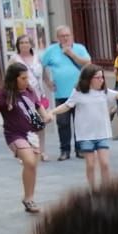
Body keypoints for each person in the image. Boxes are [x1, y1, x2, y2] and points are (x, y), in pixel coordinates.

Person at [52, 64, 118, 192]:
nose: (101, 80)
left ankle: (106, 190)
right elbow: (66, 106)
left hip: (102, 133)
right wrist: (52, 112)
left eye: (102, 77)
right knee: (91, 164)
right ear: (88, 79)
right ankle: (93, 190)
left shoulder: (104, 92)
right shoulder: (78, 93)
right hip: (86, 135)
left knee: (105, 163)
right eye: (97, 78)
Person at [0, 61, 54, 213]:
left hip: (31, 134)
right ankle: (28, 198)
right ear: (14, 78)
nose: (26, 81)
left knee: (32, 165)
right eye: (23, 78)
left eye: (27, 77)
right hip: (14, 134)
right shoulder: (4, 94)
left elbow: (38, 105)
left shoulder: (29, 90)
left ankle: (28, 198)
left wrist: (46, 115)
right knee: (29, 161)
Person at [39, 25, 92, 161]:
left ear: (72, 36)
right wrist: (47, 82)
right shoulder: (51, 50)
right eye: (62, 36)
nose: (65, 38)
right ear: (57, 38)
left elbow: (87, 62)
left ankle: (80, 149)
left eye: (67, 35)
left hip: (78, 92)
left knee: (79, 122)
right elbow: (40, 66)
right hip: (61, 94)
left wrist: (71, 54)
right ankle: (65, 150)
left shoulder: (79, 48)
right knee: (63, 123)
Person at [9, 34, 52, 160]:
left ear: (31, 44)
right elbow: (8, 77)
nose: (24, 45)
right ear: (18, 45)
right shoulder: (14, 59)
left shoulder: (37, 57)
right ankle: (26, 152)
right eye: (21, 43)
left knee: (40, 124)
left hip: (38, 94)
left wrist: (49, 83)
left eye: (27, 42)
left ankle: (41, 150)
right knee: (26, 124)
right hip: (22, 95)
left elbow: (43, 73)